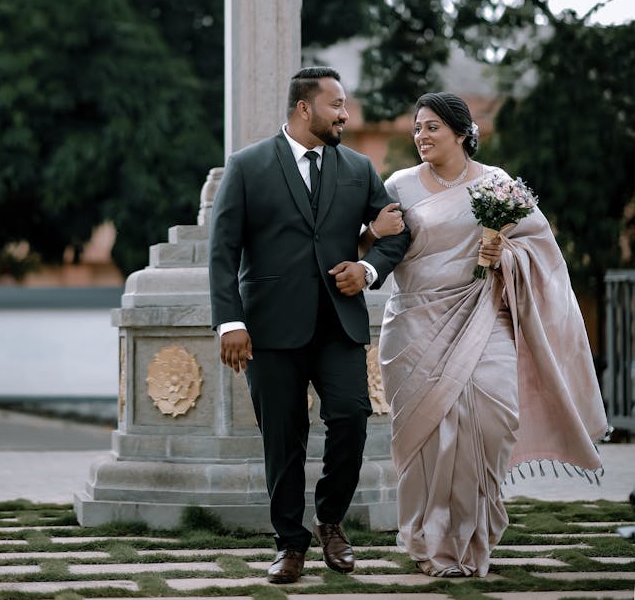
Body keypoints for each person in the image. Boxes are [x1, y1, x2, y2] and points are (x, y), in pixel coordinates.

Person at [367, 91, 608, 579]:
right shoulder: (398, 186)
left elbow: (541, 249)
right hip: (415, 324)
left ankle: (472, 535)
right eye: (417, 127)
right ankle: (430, 539)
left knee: (495, 418)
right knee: (428, 439)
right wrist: (370, 231)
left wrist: (507, 256)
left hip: (483, 316)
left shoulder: (498, 185)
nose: (421, 135)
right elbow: (371, 240)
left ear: (461, 131)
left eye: (432, 126)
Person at [209, 66, 410, 584]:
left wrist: (367, 270)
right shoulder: (247, 166)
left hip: (338, 326)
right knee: (283, 437)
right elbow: (223, 251)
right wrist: (230, 321)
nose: (346, 113)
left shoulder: (360, 168)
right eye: (337, 104)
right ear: (305, 108)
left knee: (351, 417)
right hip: (269, 328)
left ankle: (329, 520)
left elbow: (396, 232)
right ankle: (289, 544)